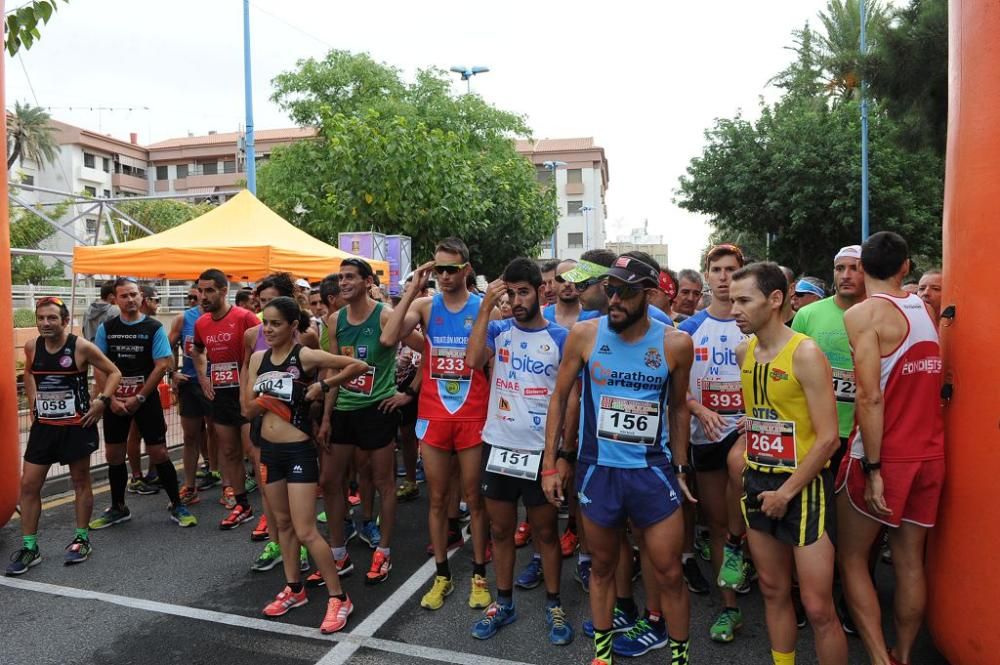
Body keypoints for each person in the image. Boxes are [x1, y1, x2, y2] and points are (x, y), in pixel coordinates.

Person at [543, 254, 696, 665]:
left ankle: (680, 658)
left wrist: (681, 466)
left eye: (625, 292)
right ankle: (602, 656)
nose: (614, 299)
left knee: (669, 572)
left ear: (648, 294)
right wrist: (551, 463)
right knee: (602, 567)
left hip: (651, 472)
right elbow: (559, 397)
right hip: (599, 472)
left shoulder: (675, 343)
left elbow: (679, 407)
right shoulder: (585, 335)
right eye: (610, 289)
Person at [836, 232, 945, 665]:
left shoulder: (865, 315)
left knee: (851, 558)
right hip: (930, 453)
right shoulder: (926, 309)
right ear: (906, 267)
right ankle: (902, 654)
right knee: (910, 562)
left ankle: (881, 659)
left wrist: (875, 468)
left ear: (862, 269)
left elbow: (869, 397)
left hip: (884, 456)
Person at [730, 262, 847, 665]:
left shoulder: (806, 353)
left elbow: (829, 437)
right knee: (772, 589)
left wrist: (786, 491)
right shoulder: (743, 350)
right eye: (731, 300)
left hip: (802, 488)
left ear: (775, 299)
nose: (734, 310)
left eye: (744, 300)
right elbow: (761, 417)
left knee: (817, 607)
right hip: (758, 483)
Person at [243, 296, 368, 634]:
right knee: (282, 526)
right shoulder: (257, 359)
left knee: (306, 530)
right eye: (265, 322)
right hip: (269, 451)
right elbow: (247, 409)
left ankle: (338, 597)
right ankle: (294, 589)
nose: (268, 329)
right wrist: (272, 398)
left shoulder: (305, 355)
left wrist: (321, 386)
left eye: (276, 323)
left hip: (298, 452)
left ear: (293, 327)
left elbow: (358, 366)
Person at [465, 258, 573, 645]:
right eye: (509, 293)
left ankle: (555, 603)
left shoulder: (560, 337)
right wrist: (484, 307)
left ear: (541, 291)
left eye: (522, 292)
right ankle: (505, 602)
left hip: (540, 453)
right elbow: (472, 361)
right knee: (501, 530)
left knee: (545, 532)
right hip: (498, 445)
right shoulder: (497, 329)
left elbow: (570, 399)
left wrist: (562, 454)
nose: (515, 300)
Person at [382, 237, 493, 611]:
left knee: (475, 500)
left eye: (450, 269)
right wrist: (413, 288)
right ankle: (442, 575)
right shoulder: (426, 306)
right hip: (433, 416)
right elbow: (388, 336)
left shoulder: (483, 308)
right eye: (438, 269)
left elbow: (484, 363)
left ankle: (479, 576)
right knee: (437, 499)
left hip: (472, 415)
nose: (443, 276)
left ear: (466, 269)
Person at [6, 297, 122, 575]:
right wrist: (34, 404)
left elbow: (114, 372)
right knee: (29, 485)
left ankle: (82, 539)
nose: (45, 323)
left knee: (80, 481)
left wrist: (101, 401)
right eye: (41, 318)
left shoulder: (81, 346)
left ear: (65, 320)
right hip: (44, 427)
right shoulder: (33, 345)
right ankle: (30, 547)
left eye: (52, 318)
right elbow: (30, 374)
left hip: (76, 426)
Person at [319, 257, 417, 585]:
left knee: (383, 482)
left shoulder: (386, 315)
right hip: (344, 410)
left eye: (350, 277)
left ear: (366, 282)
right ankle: (337, 554)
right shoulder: (334, 320)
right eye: (341, 277)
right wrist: (327, 417)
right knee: (330, 481)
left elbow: (426, 349)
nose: (343, 282)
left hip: (378, 409)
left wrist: (408, 393)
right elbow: (334, 369)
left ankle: (384, 552)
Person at [679, 243, 748, 644]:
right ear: (707, 275)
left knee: (756, 523)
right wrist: (697, 408)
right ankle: (729, 608)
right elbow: (674, 390)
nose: (723, 277)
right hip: (706, 439)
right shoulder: (687, 328)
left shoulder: (754, 321)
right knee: (720, 525)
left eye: (731, 269)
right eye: (716, 269)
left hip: (751, 435)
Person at [89, 277, 196, 530]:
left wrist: (139, 397)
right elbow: (99, 365)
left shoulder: (154, 327)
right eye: (124, 296)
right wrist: (110, 398)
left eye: (134, 294)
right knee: (114, 454)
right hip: (115, 401)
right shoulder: (107, 328)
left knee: (158, 451)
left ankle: (177, 504)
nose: (131, 299)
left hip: (144, 400)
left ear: (141, 297)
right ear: (115, 299)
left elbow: (162, 365)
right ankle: (118, 507)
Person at [190, 268, 262, 529]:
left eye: (209, 290)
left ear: (223, 290)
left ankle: (271, 513)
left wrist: (252, 386)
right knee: (229, 452)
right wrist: (203, 376)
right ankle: (242, 504)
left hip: (247, 395)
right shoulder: (201, 323)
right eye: (200, 290)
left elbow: (265, 351)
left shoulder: (245, 317)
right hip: (221, 394)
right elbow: (196, 351)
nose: (203, 296)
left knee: (255, 453)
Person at [792, 245, 866, 475]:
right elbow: (790, 369)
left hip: (862, 431)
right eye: (839, 268)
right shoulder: (807, 314)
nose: (845, 275)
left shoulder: (880, 313)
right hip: (814, 430)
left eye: (854, 268)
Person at [168, 284, 213, 506]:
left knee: (219, 436)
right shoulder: (183, 318)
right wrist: (172, 373)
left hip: (219, 385)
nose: (200, 299)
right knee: (190, 437)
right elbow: (165, 349)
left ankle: (228, 485)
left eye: (206, 293)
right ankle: (190, 486)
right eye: (194, 296)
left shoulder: (230, 317)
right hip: (190, 384)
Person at [125, 285, 163, 492]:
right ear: (146, 300)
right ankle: (137, 477)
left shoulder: (154, 326)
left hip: (148, 389)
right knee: (135, 432)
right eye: (156, 300)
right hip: (131, 390)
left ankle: (150, 474)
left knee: (155, 431)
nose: (158, 304)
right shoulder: (120, 325)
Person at [543, 259, 585, 328]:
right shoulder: (541, 316)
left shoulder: (595, 316)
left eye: (573, 278)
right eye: (561, 279)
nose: (567, 284)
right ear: (553, 282)